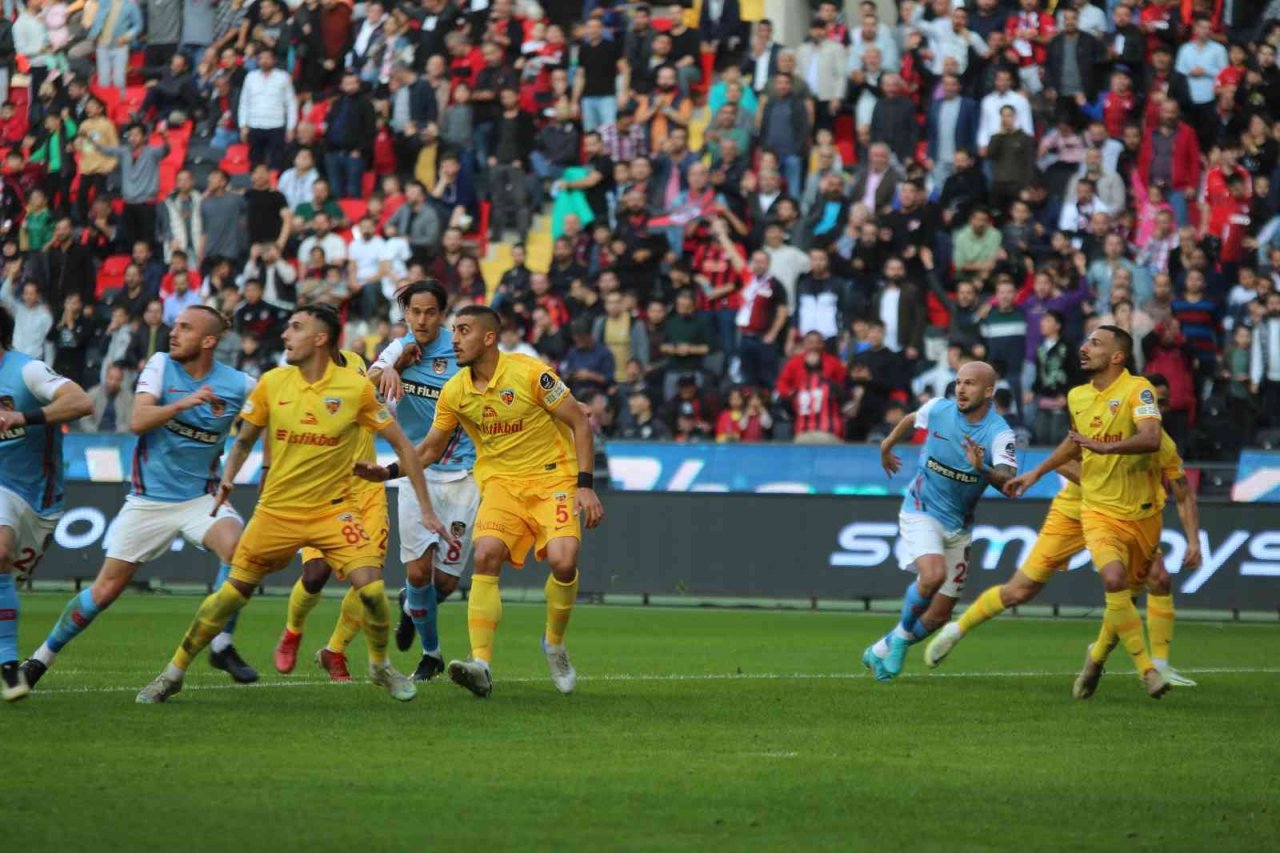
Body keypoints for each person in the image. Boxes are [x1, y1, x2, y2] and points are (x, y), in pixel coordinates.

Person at [134, 304, 440, 704]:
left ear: (320, 338)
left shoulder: (356, 388)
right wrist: (228, 478)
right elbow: (244, 438)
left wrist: (426, 508)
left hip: (334, 510)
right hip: (276, 512)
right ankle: (173, 673)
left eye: (296, 327)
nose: (285, 335)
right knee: (230, 595)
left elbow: (404, 447)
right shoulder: (271, 383)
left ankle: (380, 666)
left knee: (373, 592)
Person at [355, 305, 604, 698]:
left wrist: (584, 485)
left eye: (464, 330)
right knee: (486, 554)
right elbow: (429, 450)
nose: (453, 338)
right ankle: (481, 665)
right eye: (453, 330)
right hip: (501, 485)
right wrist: (388, 472)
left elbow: (579, 422)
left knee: (564, 560)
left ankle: (554, 644)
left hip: (552, 477)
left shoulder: (529, 373)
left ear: (489, 338)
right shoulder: (455, 390)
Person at [20, 307, 261, 690]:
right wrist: (184, 403)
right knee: (104, 592)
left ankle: (221, 644)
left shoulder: (240, 384)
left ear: (209, 341)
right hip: (148, 501)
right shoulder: (161, 365)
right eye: (175, 325)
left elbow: (279, 403)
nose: (174, 332)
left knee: (242, 552)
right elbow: (138, 421)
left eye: (185, 327)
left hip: (202, 497)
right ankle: (39, 659)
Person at [927, 376, 1203, 688]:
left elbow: (1183, 494)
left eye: (1163, 403)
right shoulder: (1102, 421)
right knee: (1021, 590)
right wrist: (1102, 486)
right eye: (1154, 401)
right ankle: (958, 629)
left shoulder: (1159, 443)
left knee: (1156, 579)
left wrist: (1193, 540)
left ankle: (1157, 667)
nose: (1158, 409)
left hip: (1122, 518)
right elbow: (1063, 463)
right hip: (1073, 512)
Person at [1004, 326, 1172, 699]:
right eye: (1086, 341)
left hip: (1141, 513)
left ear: (1117, 356)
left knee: (1126, 594)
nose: (1084, 347)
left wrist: (1105, 448)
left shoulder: (1139, 389)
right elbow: (1073, 442)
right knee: (1113, 579)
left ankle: (1095, 657)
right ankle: (1148, 671)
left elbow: (1151, 437)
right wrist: (1037, 472)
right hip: (1096, 508)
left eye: (1095, 343)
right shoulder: (1077, 395)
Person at [863, 360, 1018, 681]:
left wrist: (982, 469)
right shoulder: (938, 408)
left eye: (970, 383)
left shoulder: (999, 433)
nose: (961, 388)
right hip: (920, 508)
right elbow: (911, 418)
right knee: (932, 576)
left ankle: (884, 646)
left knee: (939, 615)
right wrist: (887, 444)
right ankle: (902, 642)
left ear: (989, 391)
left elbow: (1009, 482)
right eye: (959, 382)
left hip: (959, 526)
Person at [364, 280, 478, 680]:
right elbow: (369, 381)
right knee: (417, 573)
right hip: (416, 472)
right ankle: (431, 654)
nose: (422, 320)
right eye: (414, 312)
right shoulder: (399, 347)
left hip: (464, 475)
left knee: (444, 584)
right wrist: (394, 368)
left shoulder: (461, 349)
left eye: (430, 312)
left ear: (442, 314)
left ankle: (413, 608)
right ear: (406, 314)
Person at [267, 341, 386, 681]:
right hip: (323, 490)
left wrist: (392, 368)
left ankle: (334, 651)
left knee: (370, 581)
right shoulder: (299, 381)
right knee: (315, 573)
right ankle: (292, 631)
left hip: (366, 490)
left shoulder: (357, 363)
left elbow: (370, 392)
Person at [0, 305, 93, 700]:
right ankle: (8, 668)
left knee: (6, 572)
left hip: (38, 500)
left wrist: (24, 415)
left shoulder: (27, 370)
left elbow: (81, 403)